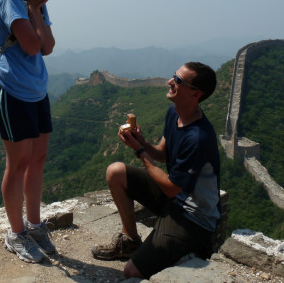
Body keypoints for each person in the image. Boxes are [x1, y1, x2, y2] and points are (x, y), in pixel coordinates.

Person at [91, 62, 220, 279]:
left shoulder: (198, 138)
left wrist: (140, 151)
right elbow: (162, 153)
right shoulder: (174, 113)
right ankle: (131, 241)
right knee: (116, 172)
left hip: (193, 217)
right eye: (173, 76)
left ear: (195, 94)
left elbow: (171, 189)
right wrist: (142, 142)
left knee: (131, 272)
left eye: (178, 81)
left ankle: (191, 249)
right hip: (174, 198)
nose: (170, 82)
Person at [0, 0, 72, 263]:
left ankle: (35, 225)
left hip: (37, 89)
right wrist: (34, 9)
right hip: (12, 92)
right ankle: (15, 233)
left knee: (37, 160)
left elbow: (48, 47)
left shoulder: (35, 2)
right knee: (19, 163)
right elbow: (31, 44)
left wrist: (37, 9)